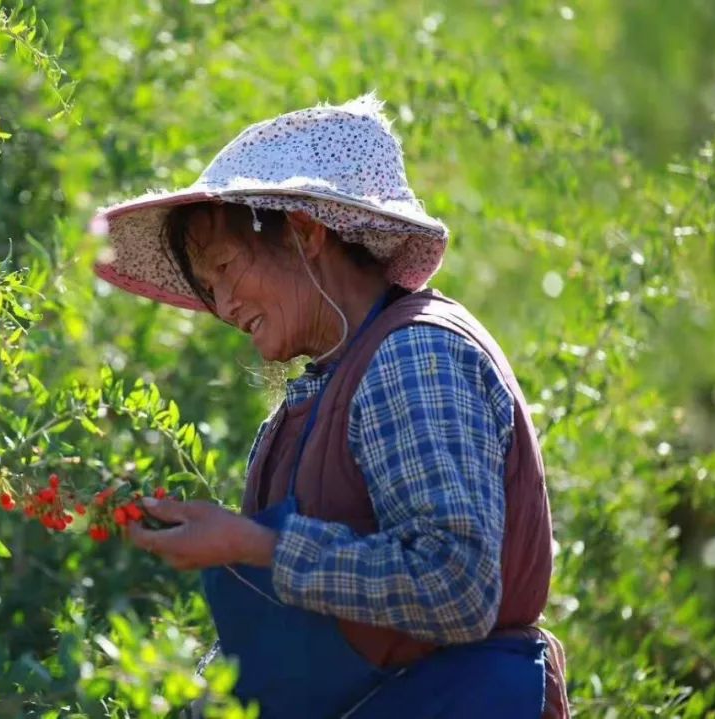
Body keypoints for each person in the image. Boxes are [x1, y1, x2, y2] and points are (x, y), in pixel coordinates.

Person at [90, 93, 569, 719]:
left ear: (306, 233)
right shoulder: (324, 385)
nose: (226, 307)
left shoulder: (414, 357)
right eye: (210, 289)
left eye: (228, 267)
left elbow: (455, 586)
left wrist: (257, 545)